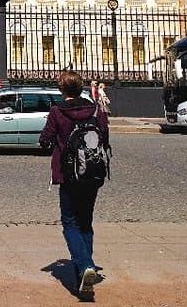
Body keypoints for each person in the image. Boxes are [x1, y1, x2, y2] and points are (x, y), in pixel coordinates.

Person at [40, 70, 109, 299]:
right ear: (81, 88)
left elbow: (44, 140)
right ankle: (84, 280)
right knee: (85, 223)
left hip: (68, 175)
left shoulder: (58, 112)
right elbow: (104, 137)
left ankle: (86, 265)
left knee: (70, 223)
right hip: (93, 173)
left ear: (62, 90)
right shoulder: (96, 110)